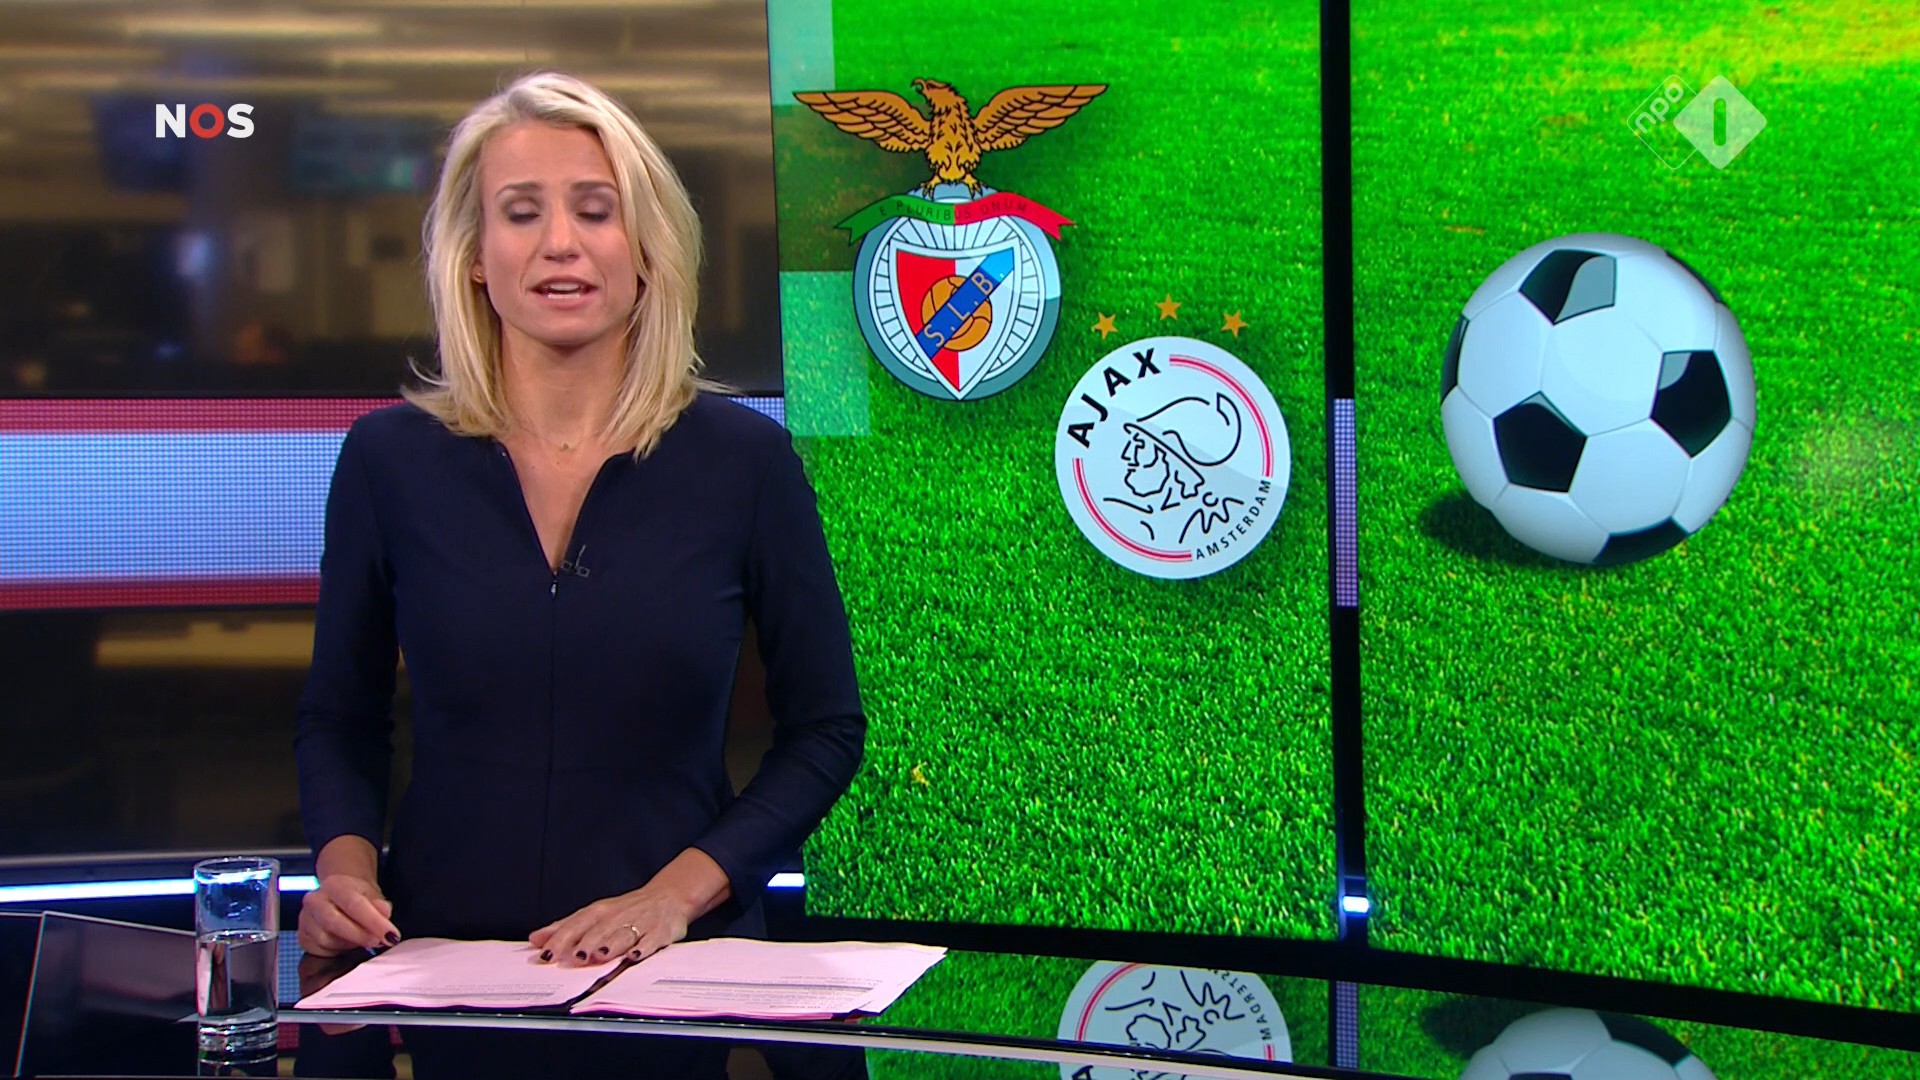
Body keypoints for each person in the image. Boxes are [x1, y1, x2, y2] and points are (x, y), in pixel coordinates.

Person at [292, 71, 866, 1078]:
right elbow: (341, 718)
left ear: (646, 250)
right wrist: (343, 872)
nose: (561, 242)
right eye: (522, 212)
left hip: (675, 989)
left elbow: (825, 731)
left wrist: (675, 896)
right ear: (475, 257)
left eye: (595, 210)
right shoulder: (387, 461)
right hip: (442, 985)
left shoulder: (744, 464)